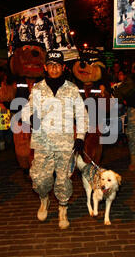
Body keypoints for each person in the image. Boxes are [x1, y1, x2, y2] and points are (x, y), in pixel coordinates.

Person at [22, 50, 88, 229]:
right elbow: (26, 109)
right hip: (42, 143)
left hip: (65, 144)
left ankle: (63, 207)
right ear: (45, 67)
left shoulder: (72, 89)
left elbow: (82, 115)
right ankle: (44, 199)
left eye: (57, 65)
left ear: (63, 67)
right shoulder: (38, 89)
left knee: (63, 180)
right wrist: (30, 118)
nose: (54, 68)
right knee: (39, 179)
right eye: (51, 65)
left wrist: (80, 137)